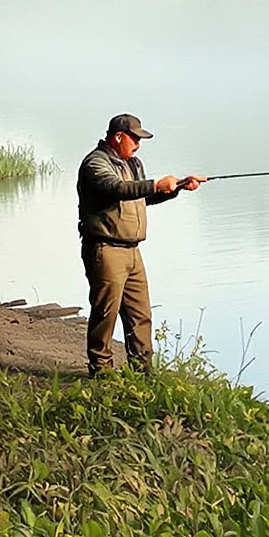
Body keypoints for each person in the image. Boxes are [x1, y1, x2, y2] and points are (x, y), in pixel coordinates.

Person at [76, 112, 205, 375]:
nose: (138, 144)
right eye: (135, 138)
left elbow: (142, 198)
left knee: (140, 314)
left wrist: (177, 187)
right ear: (118, 136)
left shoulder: (133, 164)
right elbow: (116, 189)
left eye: (140, 139)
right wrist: (155, 183)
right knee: (105, 314)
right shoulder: (95, 164)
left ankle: (142, 373)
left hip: (133, 251)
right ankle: (101, 373)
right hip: (105, 250)